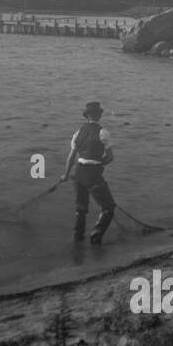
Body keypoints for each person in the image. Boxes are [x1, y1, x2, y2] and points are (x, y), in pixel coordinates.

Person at [60, 101, 116, 244]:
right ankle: (95, 238)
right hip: (94, 175)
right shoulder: (103, 133)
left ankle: (78, 240)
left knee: (81, 208)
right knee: (108, 207)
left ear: (87, 116)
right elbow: (110, 157)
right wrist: (100, 163)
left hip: (78, 174)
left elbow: (71, 157)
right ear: (99, 115)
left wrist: (65, 175)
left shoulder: (77, 133)